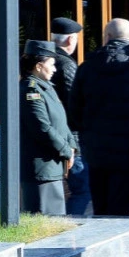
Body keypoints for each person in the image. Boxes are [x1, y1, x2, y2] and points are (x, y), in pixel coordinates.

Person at [68, 18, 129, 216]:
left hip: (96, 151)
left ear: (107, 37)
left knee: (100, 206)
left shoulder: (87, 68)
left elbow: (74, 111)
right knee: (122, 207)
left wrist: (87, 136)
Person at [20, 39, 76, 215]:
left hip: (53, 166)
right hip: (41, 168)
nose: (54, 69)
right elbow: (42, 128)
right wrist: (66, 150)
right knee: (46, 220)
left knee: (56, 220)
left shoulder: (47, 87)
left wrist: (72, 146)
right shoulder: (31, 91)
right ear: (38, 66)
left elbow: (61, 121)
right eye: (51, 64)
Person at [50, 17, 90, 215]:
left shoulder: (46, 59)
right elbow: (75, 102)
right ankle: (70, 227)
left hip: (54, 135)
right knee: (82, 190)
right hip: (70, 137)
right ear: (70, 40)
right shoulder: (66, 65)